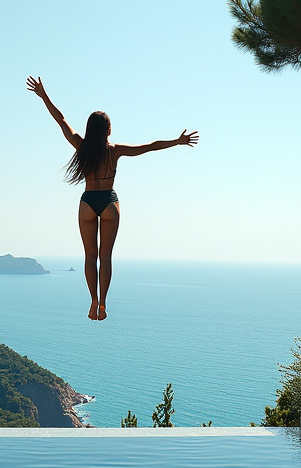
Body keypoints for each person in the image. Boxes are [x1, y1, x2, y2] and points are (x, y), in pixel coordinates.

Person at [27, 76, 198, 320]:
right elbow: (149, 146)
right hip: (109, 202)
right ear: (107, 130)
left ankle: (92, 300)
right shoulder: (115, 151)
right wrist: (177, 142)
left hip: (87, 202)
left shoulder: (80, 145)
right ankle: (104, 303)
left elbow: (61, 120)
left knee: (89, 256)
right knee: (105, 256)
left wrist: (43, 96)